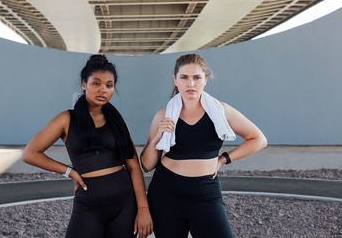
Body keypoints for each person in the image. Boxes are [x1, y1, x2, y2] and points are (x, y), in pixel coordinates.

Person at [22, 54, 153, 238]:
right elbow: (30, 153)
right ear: (84, 84)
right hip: (89, 204)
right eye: (96, 83)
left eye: (109, 85)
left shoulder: (116, 121)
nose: (103, 90)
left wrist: (143, 208)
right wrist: (70, 172)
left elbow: (133, 166)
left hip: (124, 202)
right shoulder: (67, 119)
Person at [140, 53, 267, 238]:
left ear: (205, 80)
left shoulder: (221, 111)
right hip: (166, 194)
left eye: (197, 78)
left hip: (205, 194)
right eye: (184, 77)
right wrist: (158, 137)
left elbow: (258, 139)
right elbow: (147, 165)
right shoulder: (164, 114)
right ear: (175, 80)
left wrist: (224, 159)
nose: (191, 84)